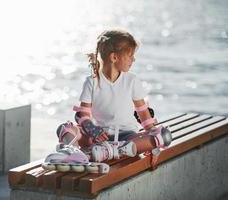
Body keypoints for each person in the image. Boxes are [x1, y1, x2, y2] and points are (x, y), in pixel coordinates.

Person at [55, 29, 172, 165]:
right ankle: (72, 153)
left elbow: (145, 118)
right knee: (65, 129)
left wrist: (154, 145)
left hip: (128, 137)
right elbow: (83, 115)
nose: (133, 59)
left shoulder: (132, 81)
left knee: (163, 136)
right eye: (130, 56)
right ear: (114, 57)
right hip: (98, 137)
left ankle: (105, 152)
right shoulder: (91, 82)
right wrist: (93, 130)